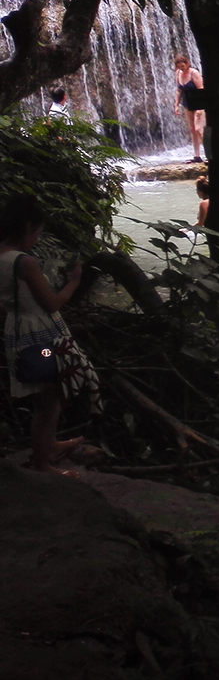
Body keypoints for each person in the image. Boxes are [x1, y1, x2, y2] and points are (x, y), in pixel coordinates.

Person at [1, 195, 100, 477]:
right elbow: (53, 302)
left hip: (18, 334)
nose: (37, 237)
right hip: (43, 338)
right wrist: (74, 282)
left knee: (45, 396)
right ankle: (43, 464)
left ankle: (50, 445)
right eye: (38, 232)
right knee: (48, 400)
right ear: (28, 227)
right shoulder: (24, 262)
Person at [172, 55, 207, 163]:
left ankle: (210, 155)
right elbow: (179, 90)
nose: (182, 68)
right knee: (192, 130)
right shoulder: (178, 73)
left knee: (199, 129)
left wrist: (201, 108)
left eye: (183, 66)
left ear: (187, 63)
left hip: (199, 103)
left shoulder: (194, 73)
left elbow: (201, 89)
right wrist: (176, 105)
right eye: (179, 67)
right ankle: (197, 156)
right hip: (187, 104)